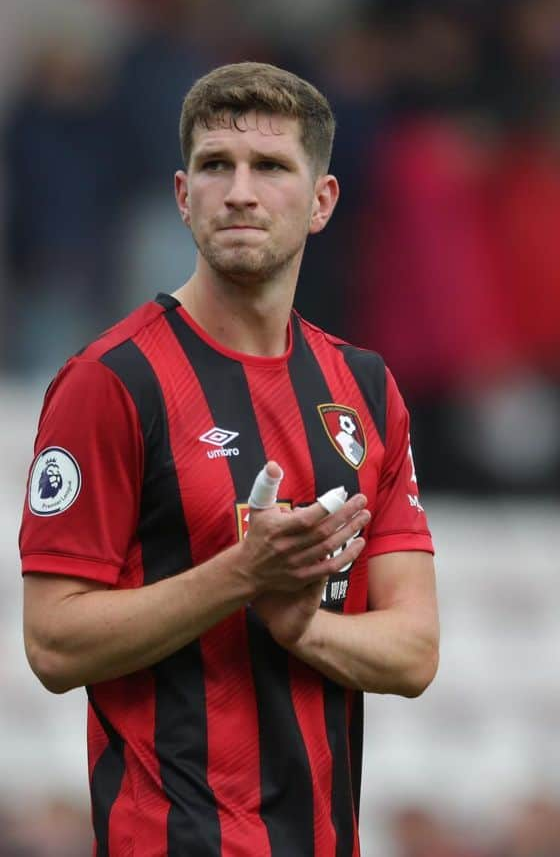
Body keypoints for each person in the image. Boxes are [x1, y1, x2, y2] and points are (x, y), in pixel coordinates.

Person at [19, 62, 439, 856]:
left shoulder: (367, 388)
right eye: (217, 165)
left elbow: (415, 650)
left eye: (271, 167)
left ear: (322, 203)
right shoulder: (110, 383)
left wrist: (300, 626)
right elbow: (51, 643)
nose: (239, 191)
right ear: (183, 196)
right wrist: (241, 575)